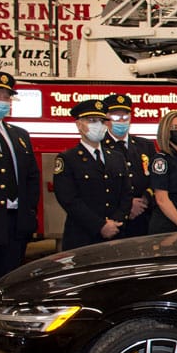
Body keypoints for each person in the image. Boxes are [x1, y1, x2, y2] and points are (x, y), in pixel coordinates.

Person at [0, 71, 40, 300]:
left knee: (7, 291)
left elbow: (32, 177)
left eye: (6, 97)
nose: (2, 102)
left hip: (14, 228)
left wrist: (28, 213)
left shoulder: (19, 135)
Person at [53, 99, 131, 250]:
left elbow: (126, 194)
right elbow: (69, 199)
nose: (99, 126)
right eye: (92, 121)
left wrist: (116, 222)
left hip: (116, 234)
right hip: (82, 237)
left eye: (102, 121)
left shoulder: (116, 157)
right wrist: (100, 226)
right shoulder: (68, 159)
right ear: (79, 124)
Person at [102, 93, 157, 237]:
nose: (121, 121)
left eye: (125, 117)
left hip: (144, 219)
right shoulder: (100, 147)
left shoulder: (145, 146)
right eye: (115, 117)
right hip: (114, 221)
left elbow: (156, 178)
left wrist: (145, 199)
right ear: (106, 120)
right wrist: (127, 206)